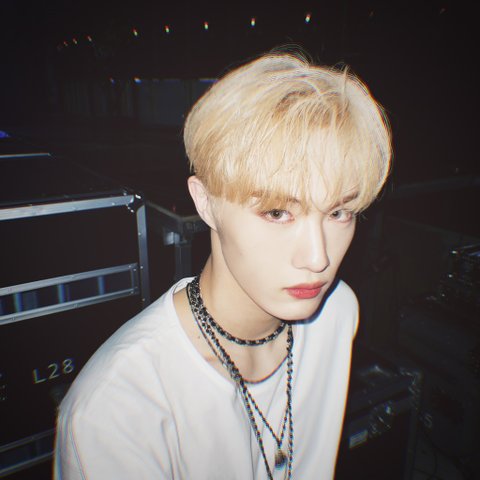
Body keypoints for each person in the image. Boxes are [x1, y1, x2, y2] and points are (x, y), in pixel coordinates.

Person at [54, 50, 391, 479]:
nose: (318, 258)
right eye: (277, 213)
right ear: (205, 203)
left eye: (339, 213)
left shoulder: (338, 313)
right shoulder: (116, 412)